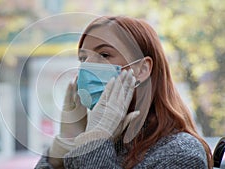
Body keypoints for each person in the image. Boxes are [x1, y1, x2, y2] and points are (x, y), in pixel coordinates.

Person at [35, 16, 212, 169]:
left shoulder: (181, 152)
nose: (87, 67)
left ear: (142, 69)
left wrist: (95, 142)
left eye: (104, 54)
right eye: (83, 58)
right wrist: (63, 147)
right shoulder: (103, 142)